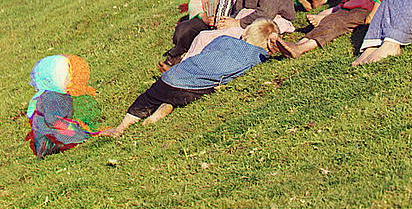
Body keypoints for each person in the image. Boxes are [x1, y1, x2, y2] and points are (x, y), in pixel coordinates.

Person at [100, 20, 279, 137]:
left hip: (171, 78)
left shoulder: (224, 40)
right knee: (194, 90)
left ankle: (121, 127)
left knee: (147, 98)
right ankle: (167, 107)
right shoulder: (258, 56)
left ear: (246, 34)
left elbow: (207, 51)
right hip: (193, 90)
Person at [25, 55, 103, 157]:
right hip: (50, 142)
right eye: (65, 75)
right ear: (52, 79)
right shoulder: (50, 97)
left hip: (56, 136)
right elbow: (54, 122)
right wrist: (82, 135)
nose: (70, 77)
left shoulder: (57, 94)